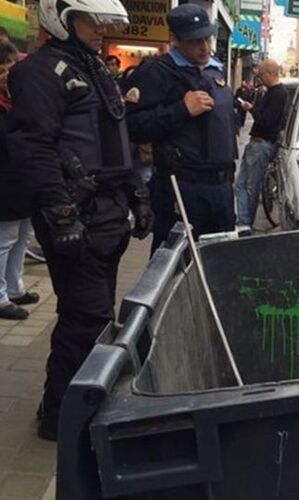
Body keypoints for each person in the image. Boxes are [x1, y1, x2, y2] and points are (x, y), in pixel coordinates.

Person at [7, 0, 153, 440]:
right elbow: (33, 146)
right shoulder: (41, 72)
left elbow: (114, 139)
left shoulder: (91, 67)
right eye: (93, 21)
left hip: (105, 212)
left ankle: (65, 410)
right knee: (85, 320)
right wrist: (62, 213)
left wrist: (136, 194)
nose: (101, 30)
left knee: (93, 316)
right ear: (63, 18)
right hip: (75, 214)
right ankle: (64, 421)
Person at [125, 4, 237, 252]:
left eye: (207, 38)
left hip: (222, 189)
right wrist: (180, 110)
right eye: (195, 41)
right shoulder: (156, 72)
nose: (204, 47)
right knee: (174, 265)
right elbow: (133, 126)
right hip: (181, 189)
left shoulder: (214, 70)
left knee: (220, 262)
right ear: (175, 39)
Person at [0, 40, 39, 320]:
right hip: (5, 178)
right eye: (2, 69)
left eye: (9, 68)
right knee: (4, 240)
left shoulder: (17, 98)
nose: (6, 74)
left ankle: (15, 287)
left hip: (24, 177)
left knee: (21, 238)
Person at [234, 58, 287, 233]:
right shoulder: (272, 92)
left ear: (270, 73)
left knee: (249, 185)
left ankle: (245, 222)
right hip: (258, 143)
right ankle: (243, 220)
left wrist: (251, 109)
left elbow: (267, 122)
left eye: (261, 74)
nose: (259, 77)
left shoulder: (277, 94)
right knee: (242, 184)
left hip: (261, 143)